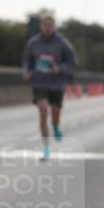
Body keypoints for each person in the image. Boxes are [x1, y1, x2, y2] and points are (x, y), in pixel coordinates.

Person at [22, 14, 77, 160]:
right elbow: (27, 60)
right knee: (43, 109)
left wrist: (59, 68)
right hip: (39, 82)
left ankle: (56, 126)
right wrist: (26, 72)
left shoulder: (63, 43)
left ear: (54, 27)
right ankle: (46, 148)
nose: (47, 28)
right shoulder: (33, 43)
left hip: (57, 83)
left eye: (50, 25)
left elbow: (72, 62)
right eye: (45, 25)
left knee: (55, 112)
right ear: (41, 26)